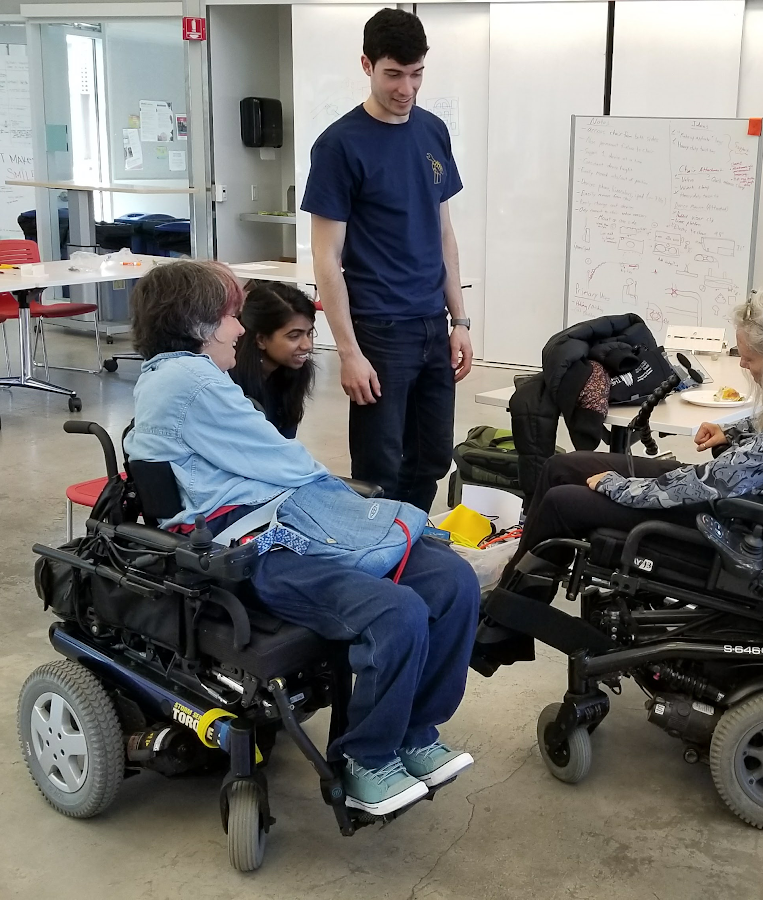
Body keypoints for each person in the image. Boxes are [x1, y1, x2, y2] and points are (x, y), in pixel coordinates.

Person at [124, 260, 479, 817]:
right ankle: (366, 761)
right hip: (252, 546)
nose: (239, 331)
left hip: (286, 521)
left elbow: (274, 460)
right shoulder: (186, 379)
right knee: (399, 610)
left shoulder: (189, 374)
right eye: (231, 318)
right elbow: (286, 463)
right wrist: (354, 511)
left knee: (453, 579)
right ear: (199, 323)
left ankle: (414, 733)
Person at [490, 288, 763, 617]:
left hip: (748, 522)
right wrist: (732, 433)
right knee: (563, 466)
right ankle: (509, 606)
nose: (743, 365)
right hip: (751, 500)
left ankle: (503, 622)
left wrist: (622, 488)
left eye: (749, 358)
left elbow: (723, 478)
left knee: (564, 503)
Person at [302, 7, 473, 512]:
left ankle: (412, 552)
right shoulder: (338, 146)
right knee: (380, 468)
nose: (406, 88)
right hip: (379, 329)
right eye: (393, 74)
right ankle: (378, 568)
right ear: (366, 65)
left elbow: (443, 233)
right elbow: (326, 259)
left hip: (430, 323)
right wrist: (348, 351)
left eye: (416, 73)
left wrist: (459, 319)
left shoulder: (433, 131)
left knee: (432, 459)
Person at [228, 280, 317, 439]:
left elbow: (284, 442)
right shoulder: (229, 382)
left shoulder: (293, 373)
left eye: (309, 333)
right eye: (294, 336)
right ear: (261, 340)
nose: (307, 345)